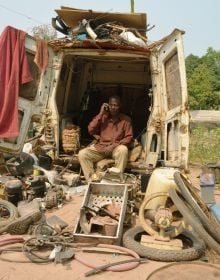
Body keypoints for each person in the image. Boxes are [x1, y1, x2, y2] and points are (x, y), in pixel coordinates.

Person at [78, 95, 133, 181]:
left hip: (116, 148)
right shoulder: (103, 117)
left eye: (116, 105)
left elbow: (128, 138)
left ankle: (116, 179)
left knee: (123, 150)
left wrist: (113, 146)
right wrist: (100, 113)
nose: (113, 107)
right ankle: (92, 180)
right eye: (111, 105)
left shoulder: (126, 119)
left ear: (120, 106)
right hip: (101, 148)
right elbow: (90, 130)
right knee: (82, 154)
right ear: (107, 106)